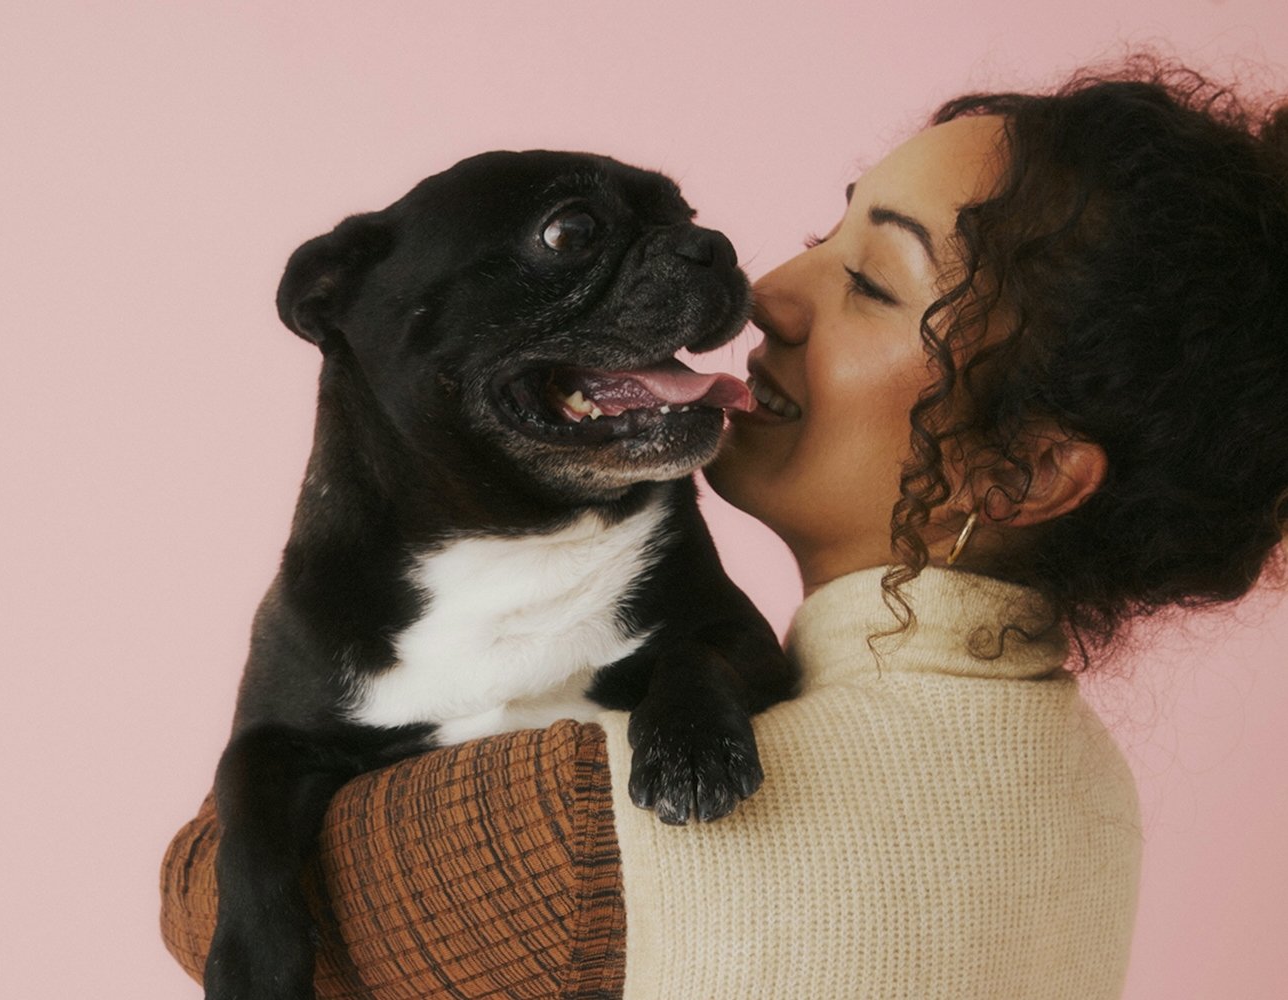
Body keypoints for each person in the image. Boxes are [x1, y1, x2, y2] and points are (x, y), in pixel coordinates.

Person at [161, 56, 1288, 999]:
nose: (774, 291)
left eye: (873, 284)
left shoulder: (580, 831)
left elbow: (200, 892)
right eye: (823, 231)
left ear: (1027, 469)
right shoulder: (1089, 792)